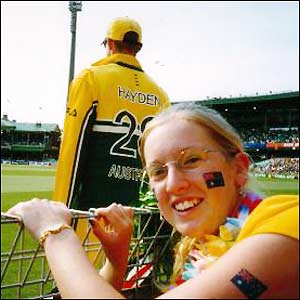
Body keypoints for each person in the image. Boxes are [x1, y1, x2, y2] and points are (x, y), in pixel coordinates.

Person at [7, 102, 299, 298]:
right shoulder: (195, 249)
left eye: (192, 160)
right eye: (158, 171)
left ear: (239, 169)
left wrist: (55, 233)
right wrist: (116, 259)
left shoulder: (286, 227)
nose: (172, 184)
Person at [53, 16, 170, 211]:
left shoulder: (90, 78)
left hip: (91, 214)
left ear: (109, 43)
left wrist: (59, 209)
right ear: (138, 48)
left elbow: (72, 149)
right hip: (136, 217)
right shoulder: (160, 94)